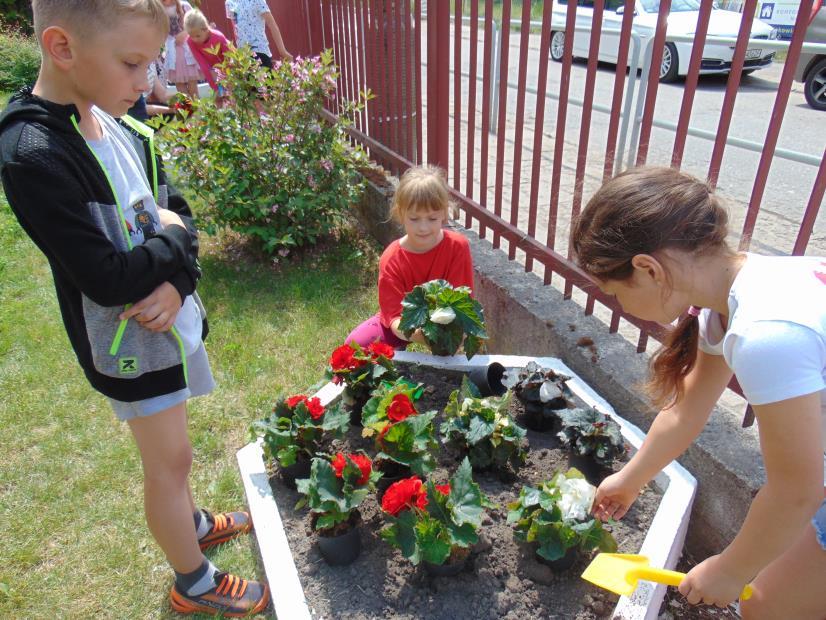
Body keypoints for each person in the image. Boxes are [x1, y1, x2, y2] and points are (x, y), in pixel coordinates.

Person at [0, 1, 269, 616]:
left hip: (166, 321)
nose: (147, 82)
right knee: (167, 461)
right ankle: (192, 579)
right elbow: (106, 276)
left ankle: (192, 520)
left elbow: (176, 205)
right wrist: (175, 245)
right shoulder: (33, 153)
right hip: (129, 344)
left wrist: (179, 278)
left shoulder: (117, 118)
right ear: (63, 47)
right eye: (132, 63)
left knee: (178, 454)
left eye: (150, 62)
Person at [571, 166, 825, 618]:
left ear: (647, 269)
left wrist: (731, 568)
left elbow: (797, 490)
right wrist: (630, 480)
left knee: (767, 608)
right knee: (769, 606)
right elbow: (686, 410)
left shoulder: (766, 335)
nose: (621, 306)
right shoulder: (730, 301)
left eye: (614, 293)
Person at [346, 166, 475, 349]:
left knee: (471, 365)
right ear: (400, 214)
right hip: (405, 324)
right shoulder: (391, 259)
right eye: (414, 219)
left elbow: (463, 302)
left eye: (432, 219)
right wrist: (427, 337)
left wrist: (451, 337)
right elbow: (395, 319)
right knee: (355, 346)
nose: (423, 228)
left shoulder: (458, 247)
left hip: (448, 327)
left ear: (444, 213)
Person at [225, 0, 292, 68]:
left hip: (260, 51)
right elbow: (236, 29)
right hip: (243, 56)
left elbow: (272, 25)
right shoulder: (230, 2)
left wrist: (282, 51)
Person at [184, 8, 231, 104]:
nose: (194, 39)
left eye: (197, 36)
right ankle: (220, 117)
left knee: (231, 96)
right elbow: (203, 64)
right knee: (218, 98)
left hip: (229, 67)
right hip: (213, 70)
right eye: (191, 36)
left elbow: (229, 58)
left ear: (205, 29)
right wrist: (215, 86)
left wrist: (227, 77)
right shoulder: (190, 41)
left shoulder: (218, 37)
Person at [161, 0, 202, 99]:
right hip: (172, 51)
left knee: (192, 84)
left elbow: (196, 22)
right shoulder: (159, 9)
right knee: (180, 85)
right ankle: (189, 111)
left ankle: (198, 111)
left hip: (187, 50)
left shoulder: (184, 5)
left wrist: (185, 33)